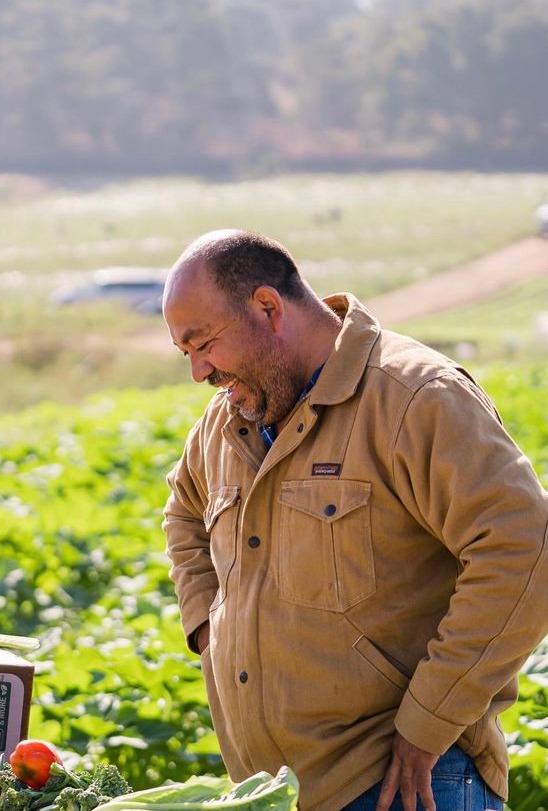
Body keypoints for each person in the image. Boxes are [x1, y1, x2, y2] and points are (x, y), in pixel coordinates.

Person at [161, 229, 548, 811]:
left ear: (267, 308)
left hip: (409, 782)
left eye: (204, 343)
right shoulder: (225, 425)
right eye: (185, 353)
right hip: (274, 792)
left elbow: (525, 552)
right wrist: (208, 625)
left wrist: (427, 724)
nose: (198, 372)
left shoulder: (415, 397)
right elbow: (184, 510)